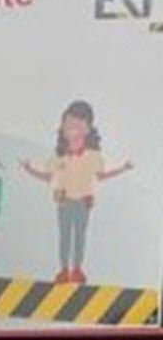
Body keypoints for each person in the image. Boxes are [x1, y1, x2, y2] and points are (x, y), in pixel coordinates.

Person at [21, 99, 133, 285]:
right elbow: (48, 176)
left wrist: (123, 168)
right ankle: (64, 270)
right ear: (63, 128)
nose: (71, 130)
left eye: (77, 126)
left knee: (80, 235)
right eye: (68, 125)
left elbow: (101, 176)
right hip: (63, 199)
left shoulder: (93, 156)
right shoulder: (59, 155)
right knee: (64, 236)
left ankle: (78, 270)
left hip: (83, 200)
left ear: (87, 129)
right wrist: (29, 169)